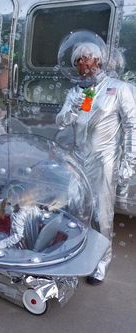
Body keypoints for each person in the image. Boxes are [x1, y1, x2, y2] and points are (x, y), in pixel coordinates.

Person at [56, 41, 136, 285]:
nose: (84, 64)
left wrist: (129, 163)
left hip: (104, 159)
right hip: (78, 158)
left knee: (102, 214)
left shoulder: (118, 88)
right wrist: (72, 110)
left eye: (88, 58)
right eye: (79, 61)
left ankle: (102, 260)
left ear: (98, 60)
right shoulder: (75, 92)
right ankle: (77, 251)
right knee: (75, 209)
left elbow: (132, 125)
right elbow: (60, 121)